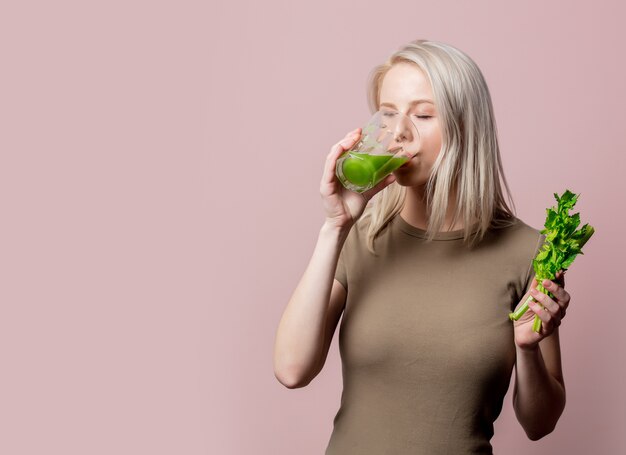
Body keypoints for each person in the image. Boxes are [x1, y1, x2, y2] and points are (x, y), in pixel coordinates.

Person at [273, 39, 570, 454]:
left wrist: (528, 348)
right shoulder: (362, 235)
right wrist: (334, 227)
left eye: (424, 114)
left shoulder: (529, 251)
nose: (399, 132)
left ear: (467, 128)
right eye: (388, 113)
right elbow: (291, 369)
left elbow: (540, 424)